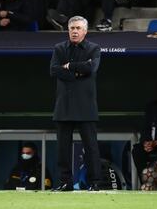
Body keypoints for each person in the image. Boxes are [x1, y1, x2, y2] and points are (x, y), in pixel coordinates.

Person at [50, 16, 101, 191]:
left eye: (78, 28)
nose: (74, 31)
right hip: (63, 106)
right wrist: (78, 72)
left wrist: (69, 66)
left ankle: (95, 183)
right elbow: (54, 70)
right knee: (62, 149)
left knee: (91, 147)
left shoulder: (94, 48)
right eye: (72, 28)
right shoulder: (59, 48)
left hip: (86, 106)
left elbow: (91, 68)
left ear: (85, 31)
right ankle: (65, 182)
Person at [132, 79, 157, 190]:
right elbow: (146, 127)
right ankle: (147, 183)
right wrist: (146, 142)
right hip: (151, 144)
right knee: (137, 151)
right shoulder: (151, 107)